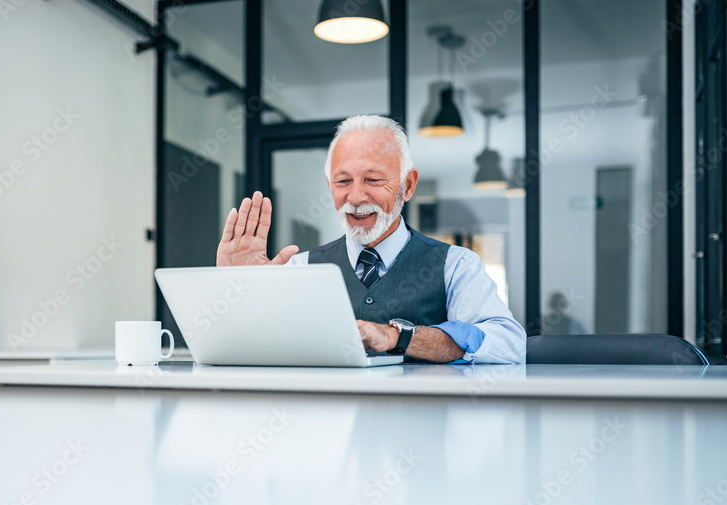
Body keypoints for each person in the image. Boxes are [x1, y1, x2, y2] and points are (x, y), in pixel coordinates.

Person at [216, 114, 526, 364]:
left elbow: (509, 344)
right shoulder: (300, 268)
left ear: (408, 184)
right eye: (343, 181)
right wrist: (239, 294)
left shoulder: (456, 266)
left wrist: (399, 337)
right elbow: (250, 353)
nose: (356, 196)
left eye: (373, 180)